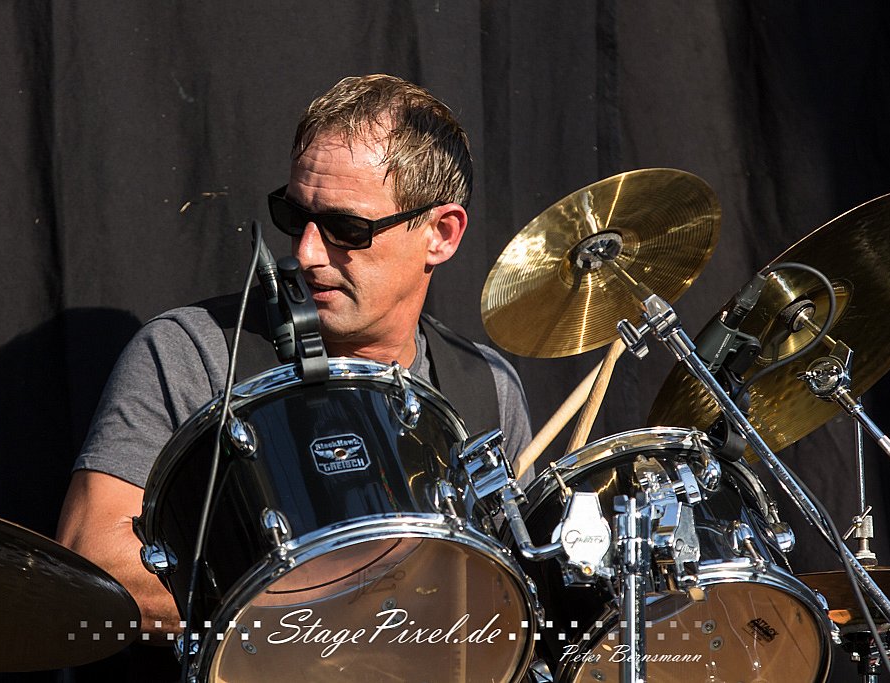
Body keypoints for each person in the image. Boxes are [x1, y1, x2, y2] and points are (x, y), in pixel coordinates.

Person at [56, 74, 533, 639]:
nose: (306, 253)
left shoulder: (486, 387)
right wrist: (320, 600)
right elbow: (91, 559)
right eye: (294, 216)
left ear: (442, 234)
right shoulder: (194, 352)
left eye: (345, 228)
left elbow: (522, 596)